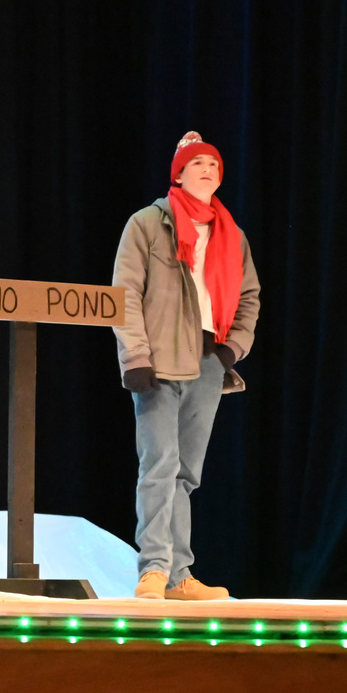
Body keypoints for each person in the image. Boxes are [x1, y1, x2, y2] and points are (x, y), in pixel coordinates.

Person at [112, 132, 260, 600]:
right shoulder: (148, 224)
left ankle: (179, 577)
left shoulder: (232, 235)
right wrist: (135, 354)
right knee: (159, 464)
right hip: (159, 358)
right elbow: (125, 294)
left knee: (185, 474)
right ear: (178, 173)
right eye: (197, 163)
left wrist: (232, 348)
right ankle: (154, 569)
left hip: (207, 360)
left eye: (214, 165)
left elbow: (250, 297)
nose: (207, 170)